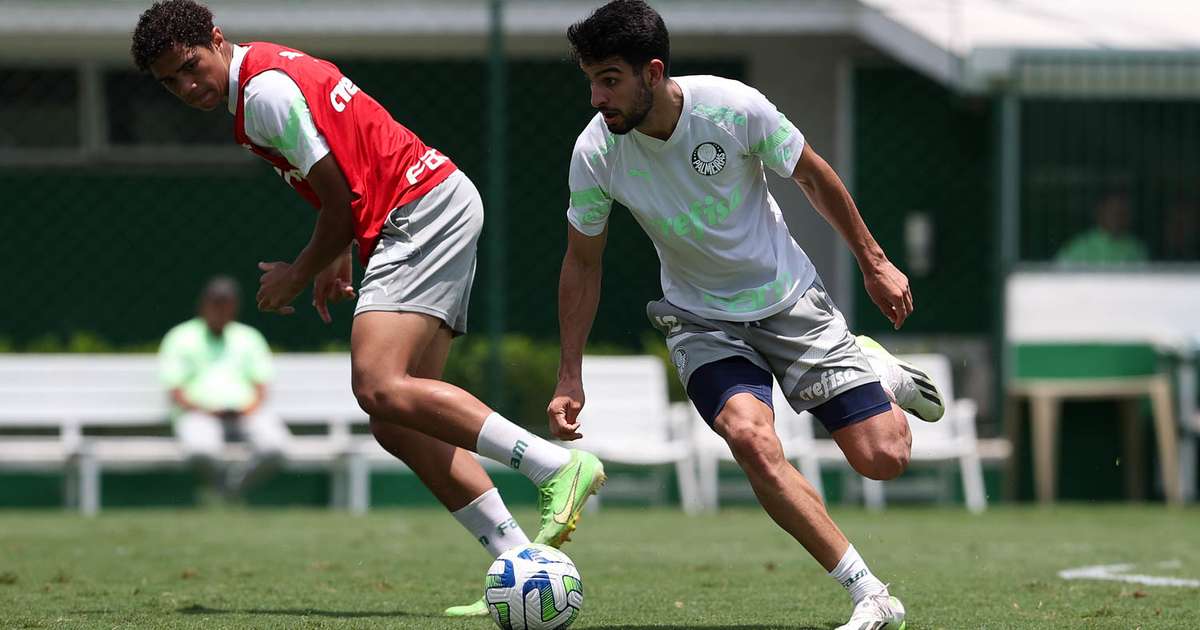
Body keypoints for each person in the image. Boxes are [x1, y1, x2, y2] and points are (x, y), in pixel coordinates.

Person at [131, 0, 604, 617]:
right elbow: (347, 173)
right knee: (400, 420)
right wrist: (341, 254)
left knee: (378, 385)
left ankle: (554, 466)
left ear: (216, 40)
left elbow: (340, 193)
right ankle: (518, 562)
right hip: (424, 205)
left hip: (419, 209)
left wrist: (299, 273)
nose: (188, 86)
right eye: (170, 82)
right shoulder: (265, 76)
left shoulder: (265, 95)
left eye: (191, 66)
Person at [551, 2, 948, 628]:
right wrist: (570, 374)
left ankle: (875, 371)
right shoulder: (596, 153)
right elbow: (582, 264)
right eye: (591, 81)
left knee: (883, 458)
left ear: (652, 73)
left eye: (610, 79)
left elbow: (813, 177)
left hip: (789, 303)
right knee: (751, 439)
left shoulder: (731, 108)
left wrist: (874, 263)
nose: (597, 98)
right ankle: (868, 592)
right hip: (699, 319)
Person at [159, 275, 289, 502]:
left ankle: (228, 491)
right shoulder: (181, 337)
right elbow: (175, 391)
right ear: (203, 305)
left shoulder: (249, 337)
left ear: (234, 307)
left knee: (276, 446)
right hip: (199, 414)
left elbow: (261, 387)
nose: (220, 309)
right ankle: (228, 492)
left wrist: (249, 408)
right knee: (200, 450)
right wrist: (206, 410)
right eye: (216, 303)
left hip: (246, 414)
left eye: (226, 303)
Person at [1055, 191, 1148, 264]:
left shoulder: (1136, 249)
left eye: (1122, 212)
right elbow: (1057, 276)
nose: (1117, 217)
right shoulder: (1080, 247)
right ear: (1099, 212)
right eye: (1112, 211)